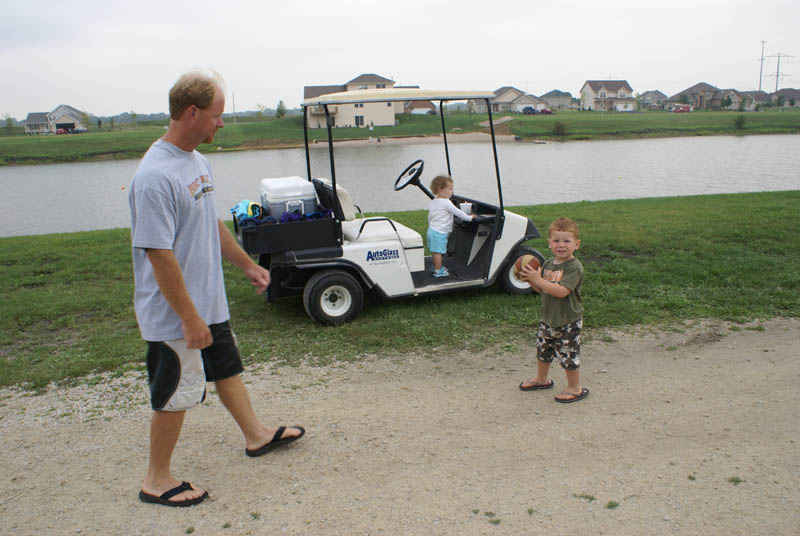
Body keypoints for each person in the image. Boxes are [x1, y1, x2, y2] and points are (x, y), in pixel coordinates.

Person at [129, 71, 304, 507]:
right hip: (175, 313)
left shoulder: (196, 162)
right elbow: (158, 254)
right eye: (217, 115)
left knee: (226, 368)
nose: (221, 123)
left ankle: (256, 435)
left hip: (208, 301)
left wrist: (246, 265)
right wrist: (189, 318)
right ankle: (156, 480)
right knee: (175, 391)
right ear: (192, 113)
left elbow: (210, 222)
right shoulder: (154, 177)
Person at [518, 217, 588, 403]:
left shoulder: (574, 267)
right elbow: (542, 289)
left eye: (567, 241)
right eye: (556, 240)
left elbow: (561, 291)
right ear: (549, 243)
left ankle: (575, 388)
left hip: (568, 320)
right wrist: (531, 280)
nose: (561, 245)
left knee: (568, 354)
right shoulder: (548, 264)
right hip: (548, 318)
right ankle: (542, 379)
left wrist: (538, 280)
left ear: (576, 244)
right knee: (543, 350)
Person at [426, 175, 474, 277]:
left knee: (435, 251)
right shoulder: (446, 203)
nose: (452, 191)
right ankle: (438, 271)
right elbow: (458, 213)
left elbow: (431, 216)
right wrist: (470, 218)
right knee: (438, 252)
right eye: (450, 189)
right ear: (441, 189)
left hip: (432, 230)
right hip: (439, 232)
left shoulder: (434, 201)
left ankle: (437, 266)